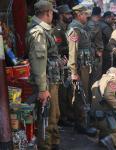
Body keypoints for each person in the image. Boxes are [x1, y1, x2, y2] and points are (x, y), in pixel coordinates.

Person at [26, 1, 63, 149]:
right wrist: (42, 89)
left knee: (54, 116)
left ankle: (54, 144)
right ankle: (46, 146)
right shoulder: (39, 32)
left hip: (50, 81)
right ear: (48, 13)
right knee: (47, 120)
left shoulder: (42, 30)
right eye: (52, 13)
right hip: (46, 83)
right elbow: (39, 61)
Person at [67, 4, 93, 135]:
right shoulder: (74, 29)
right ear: (78, 14)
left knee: (83, 94)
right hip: (79, 68)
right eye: (84, 14)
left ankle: (83, 121)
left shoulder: (81, 28)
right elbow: (73, 52)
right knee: (80, 95)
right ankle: (81, 124)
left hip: (84, 67)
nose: (87, 16)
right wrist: (73, 72)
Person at [52, 4, 74, 127]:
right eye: (67, 14)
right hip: (61, 64)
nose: (70, 16)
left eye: (70, 13)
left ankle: (68, 115)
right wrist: (71, 47)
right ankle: (63, 117)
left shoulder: (67, 28)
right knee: (63, 93)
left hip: (68, 64)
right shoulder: (57, 30)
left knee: (69, 91)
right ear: (61, 15)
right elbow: (57, 49)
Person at [84, 6, 104, 82]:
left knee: (96, 76)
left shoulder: (93, 23)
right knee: (95, 76)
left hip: (96, 53)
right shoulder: (92, 24)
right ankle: (94, 93)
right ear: (98, 15)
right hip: (95, 54)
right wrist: (96, 50)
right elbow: (88, 40)